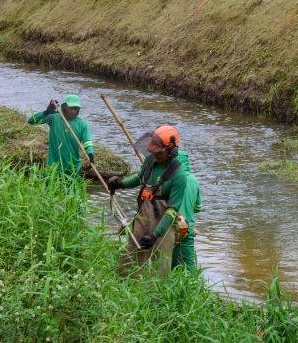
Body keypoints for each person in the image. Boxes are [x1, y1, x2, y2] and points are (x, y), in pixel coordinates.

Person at [107, 125, 201, 271]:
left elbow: (172, 209)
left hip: (164, 226)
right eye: (153, 150)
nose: (154, 154)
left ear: (171, 151)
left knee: (159, 268)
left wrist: (155, 235)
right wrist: (120, 184)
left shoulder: (179, 175)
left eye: (159, 152)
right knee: (130, 261)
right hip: (143, 218)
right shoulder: (151, 160)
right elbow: (139, 177)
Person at [27, 94, 94, 176]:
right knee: (50, 187)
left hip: (73, 167)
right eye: (71, 108)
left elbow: (87, 142)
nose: (73, 111)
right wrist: (46, 112)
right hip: (53, 166)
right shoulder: (54, 118)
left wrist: (90, 154)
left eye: (76, 109)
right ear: (65, 107)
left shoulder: (82, 124)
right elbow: (31, 121)